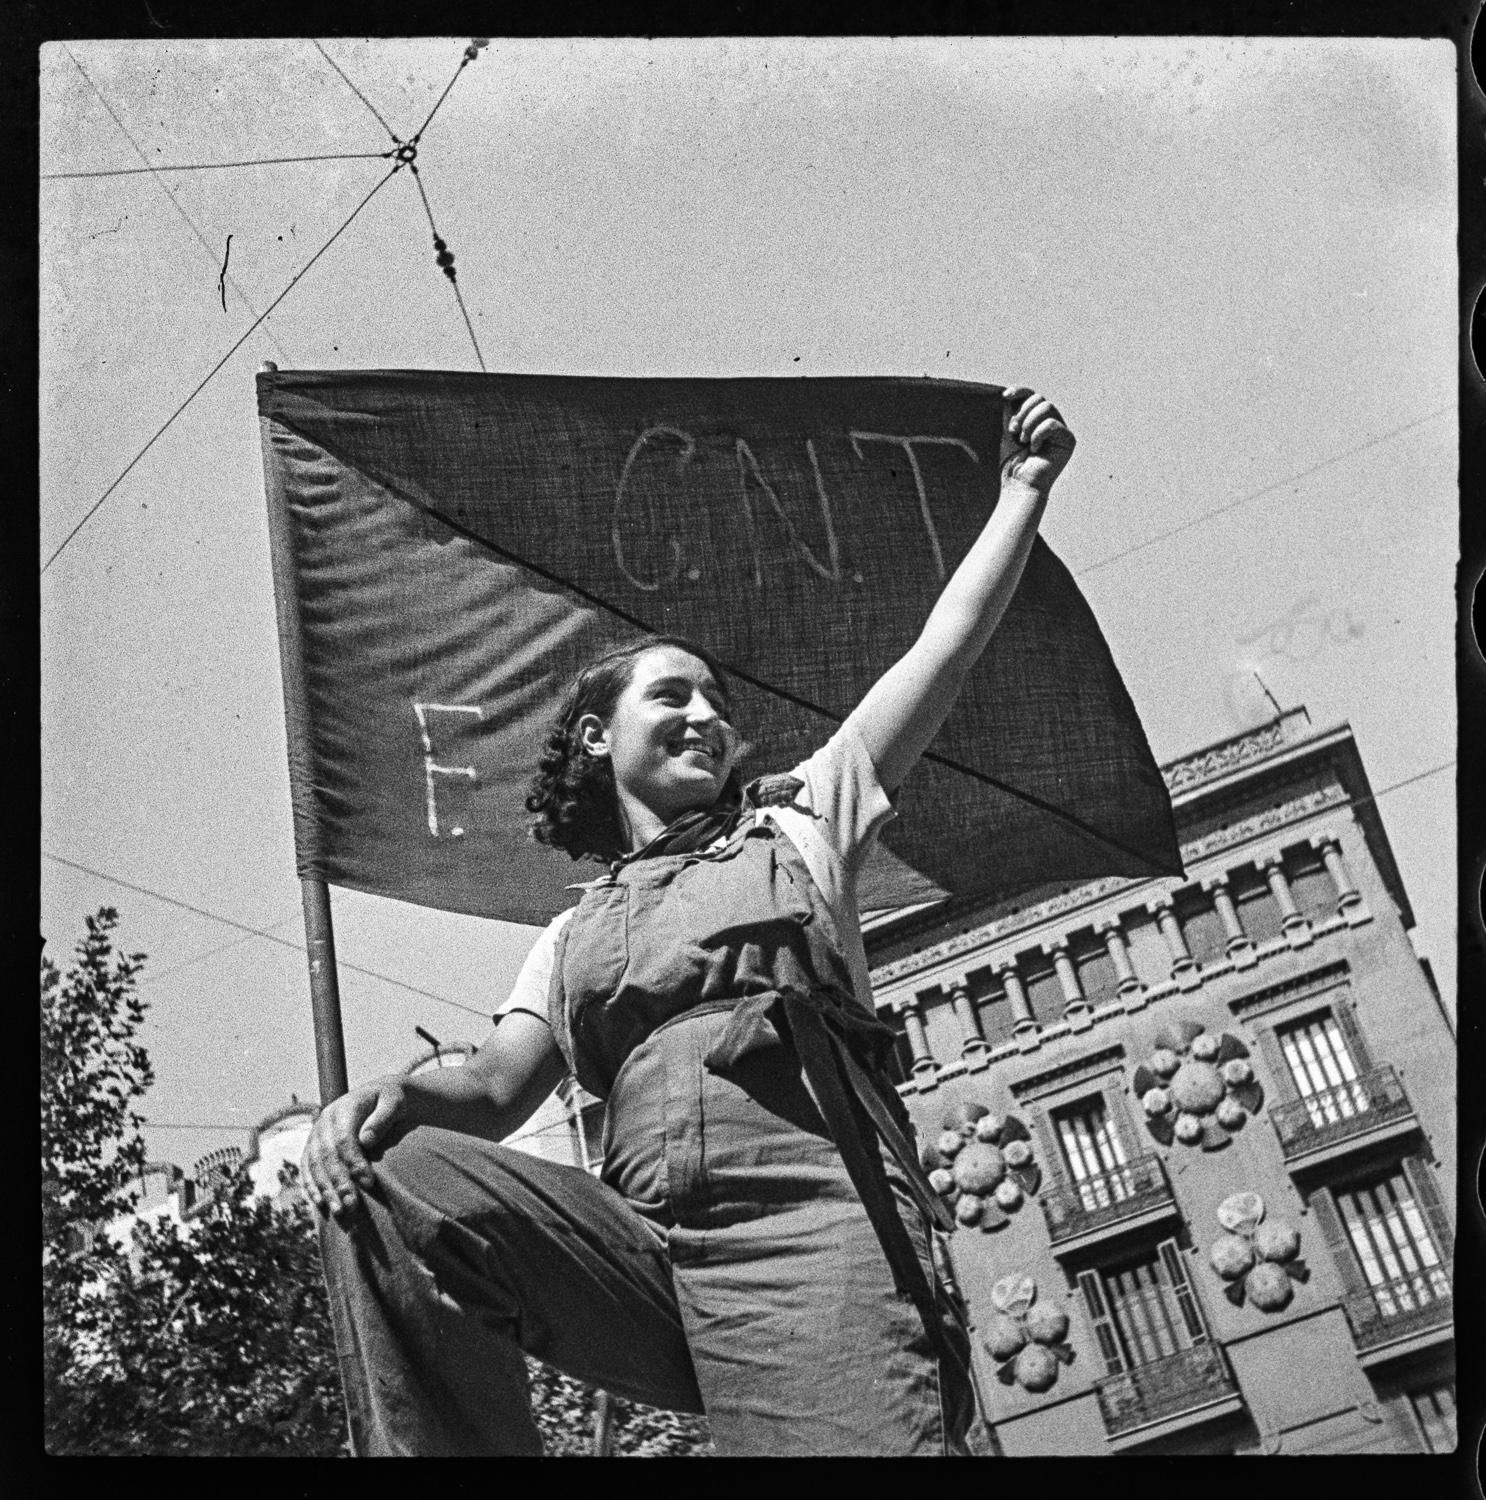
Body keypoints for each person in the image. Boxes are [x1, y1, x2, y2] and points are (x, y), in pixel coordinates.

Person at [301, 386, 1076, 1456]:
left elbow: (938, 655)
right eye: (670, 697)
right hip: (646, 1249)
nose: (707, 715)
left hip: (818, 1240)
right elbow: (486, 1086)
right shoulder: (570, 936)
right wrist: (388, 1094)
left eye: (714, 702)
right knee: (390, 1182)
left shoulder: (800, 824)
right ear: (592, 740)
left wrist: (1021, 494)